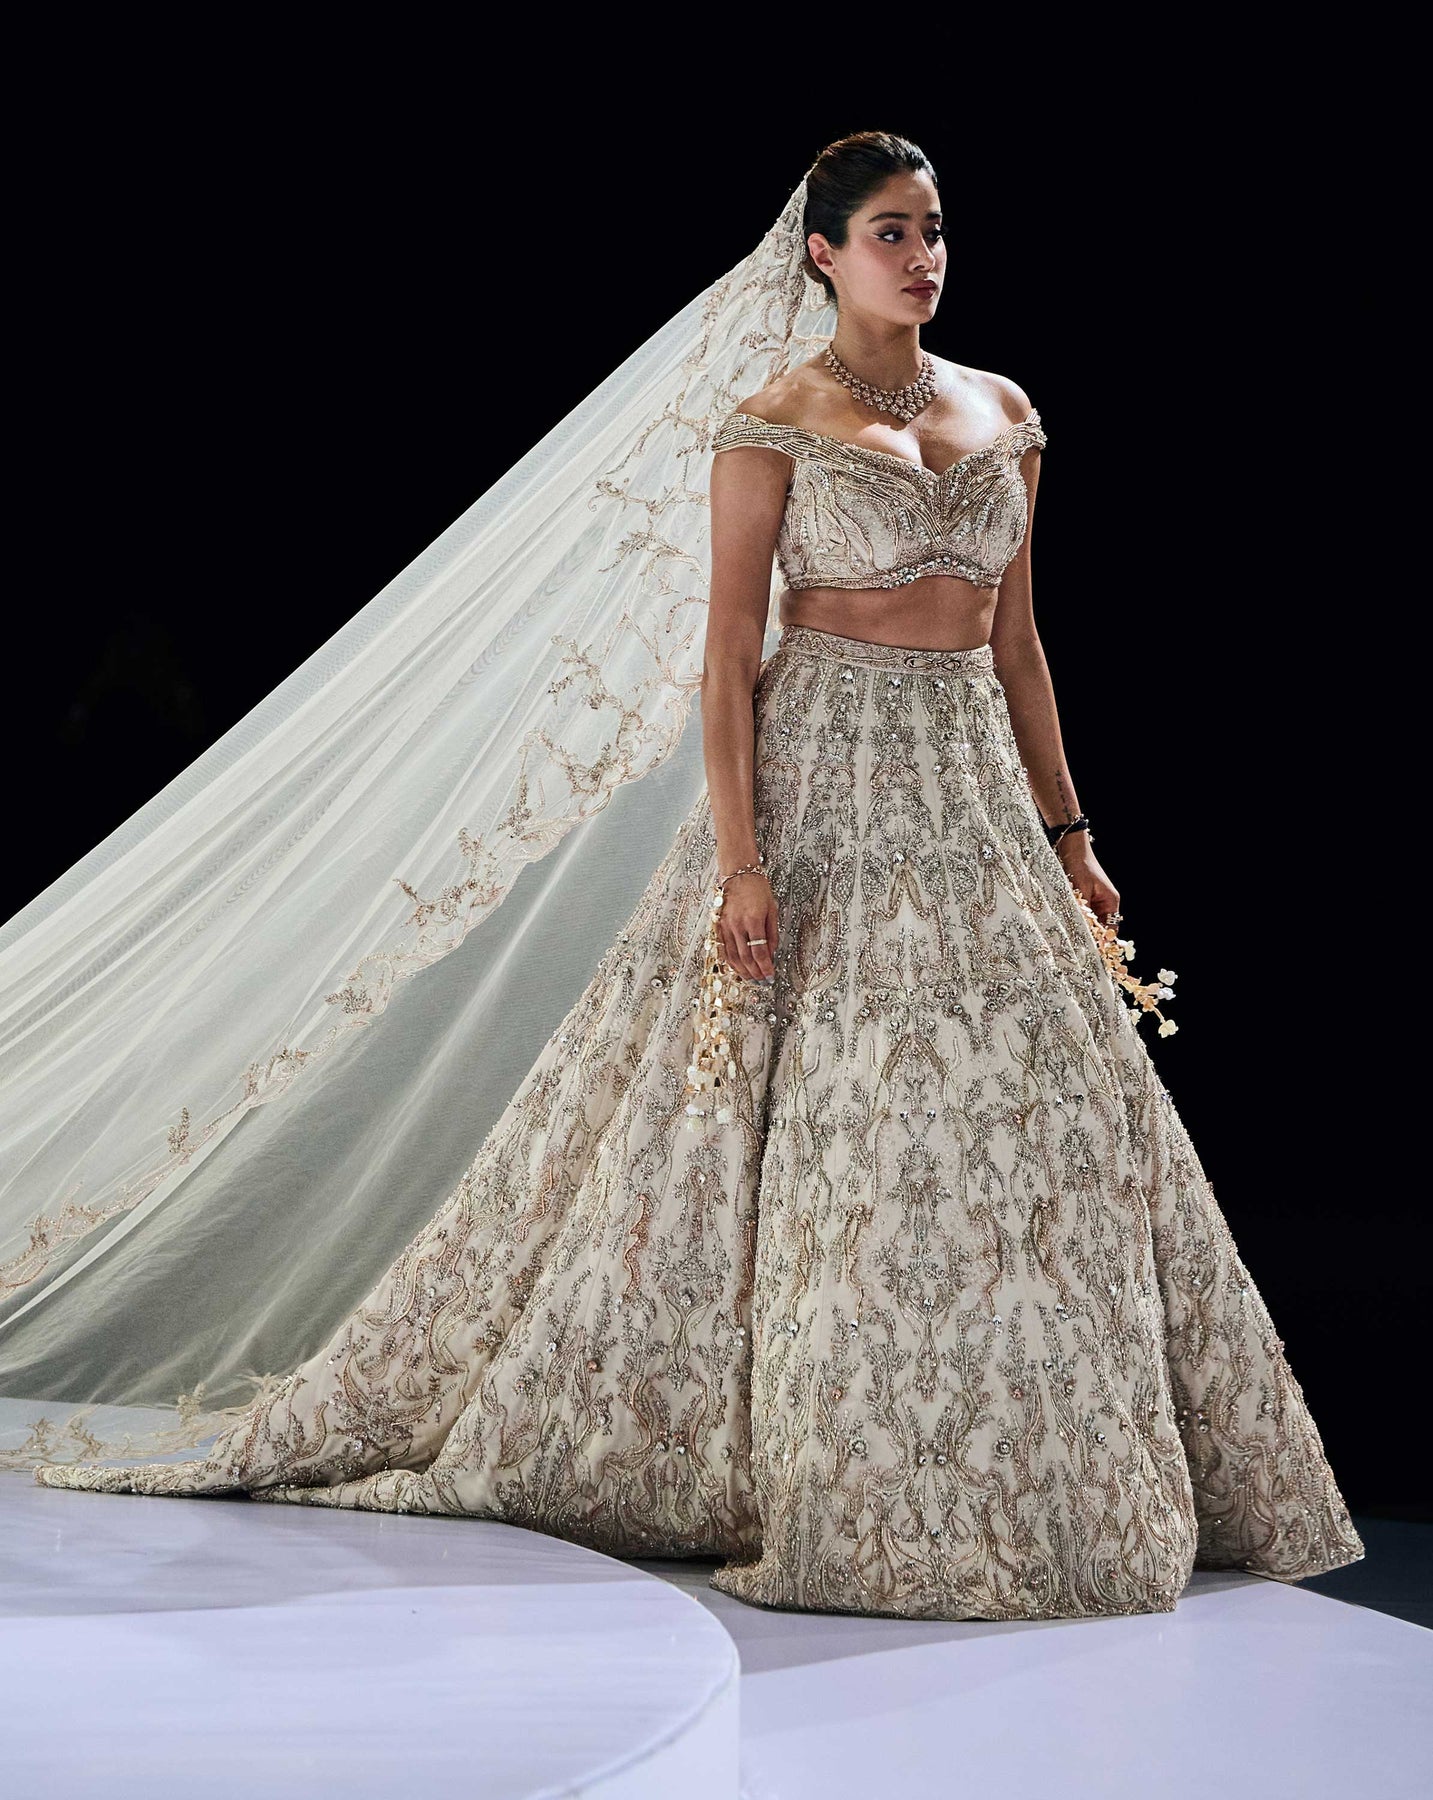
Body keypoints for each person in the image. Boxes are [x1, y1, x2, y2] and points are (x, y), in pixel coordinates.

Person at [31, 132, 1363, 1622]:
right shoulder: (770, 422)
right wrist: (741, 863)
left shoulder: (1005, 411)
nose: (922, 257)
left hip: (972, 792)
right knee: (837, 1116)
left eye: (934, 229)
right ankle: (831, 1464)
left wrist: (1072, 834)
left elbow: (1019, 643)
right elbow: (729, 657)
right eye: (889, 232)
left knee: (1034, 1117)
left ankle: (1038, 1466)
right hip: (821, 781)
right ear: (821, 253)